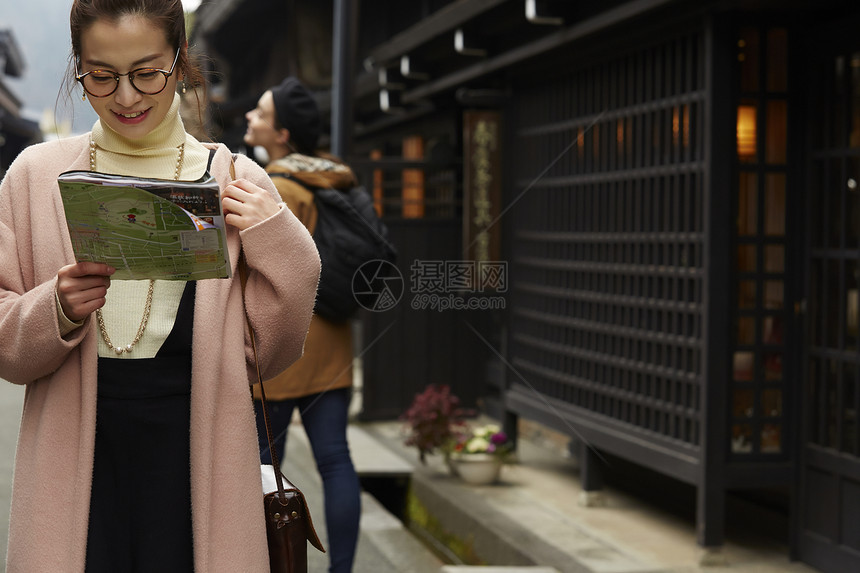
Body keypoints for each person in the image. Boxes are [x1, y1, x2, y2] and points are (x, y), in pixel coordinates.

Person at [0, 1, 321, 572]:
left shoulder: (233, 181)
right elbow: (5, 342)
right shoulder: (33, 176)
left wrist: (279, 240)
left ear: (179, 62)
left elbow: (268, 354)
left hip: (196, 457)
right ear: (78, 66)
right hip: (74, 459)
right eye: (101, 75)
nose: (125, 96)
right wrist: (56, 309)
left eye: (147, 72)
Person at [243, 77, 361, 573]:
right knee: (335, 461)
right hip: (332, 343)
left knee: (263, 472)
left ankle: (268, 564)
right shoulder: (338, 178)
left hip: (282, 345)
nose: (250, 115)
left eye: (262, 113)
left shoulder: (273, 187)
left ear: (283, 134)